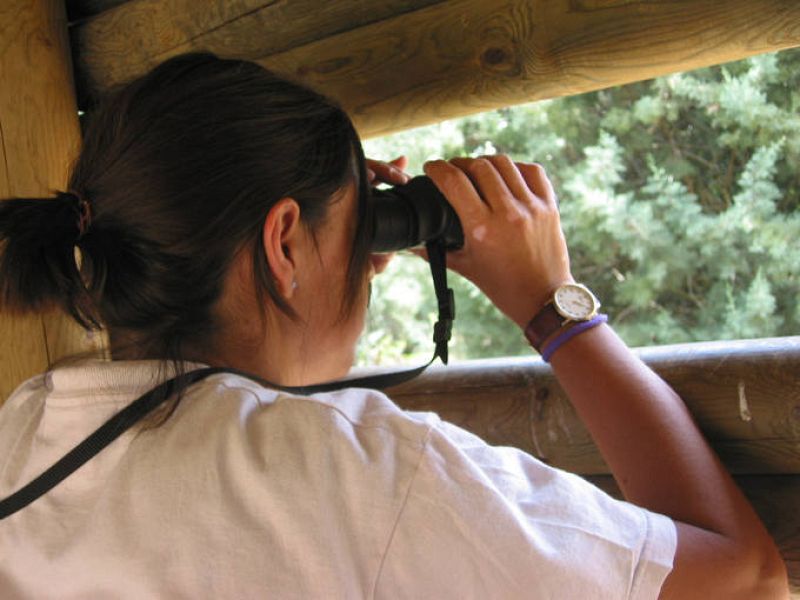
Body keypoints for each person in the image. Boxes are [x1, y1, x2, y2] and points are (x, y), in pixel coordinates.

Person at [0, 52, 788, 599]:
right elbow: (747, 585)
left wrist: (332, 231)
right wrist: (553, 308)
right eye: (362, 228)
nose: (372, 265)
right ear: (282, 243)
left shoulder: (24, 431)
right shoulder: (366, 477)